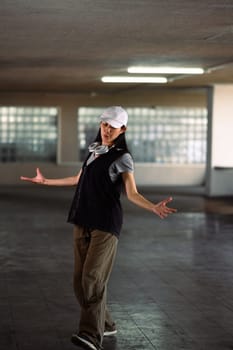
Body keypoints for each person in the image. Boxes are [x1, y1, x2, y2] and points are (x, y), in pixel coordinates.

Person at [20, 106, 177, 350]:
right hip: (82, 219)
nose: (107, 130)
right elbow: (77, 179)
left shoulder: (123, 157)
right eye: (104, 124)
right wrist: (45, 181)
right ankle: (106, 323)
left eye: (113, 127)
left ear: (122, 129)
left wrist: (152, 207)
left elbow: (132, 193)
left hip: (105, 224)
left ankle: (91, 335)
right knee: (79, 282)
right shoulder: (94, 151)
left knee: (92, 278)